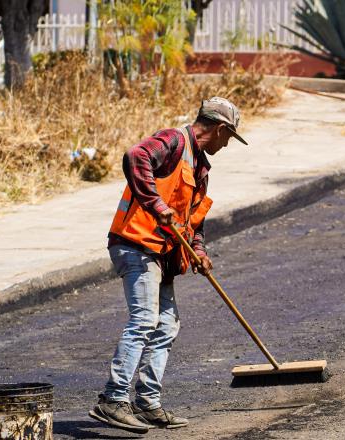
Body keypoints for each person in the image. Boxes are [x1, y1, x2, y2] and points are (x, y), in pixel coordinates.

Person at [89, 97, 248, 433]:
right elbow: (136, 157)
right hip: (135, 244)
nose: (227, 144)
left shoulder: (200, 170)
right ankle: (113, 399)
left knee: (167, 325)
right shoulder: (173, 142)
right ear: (220, 129)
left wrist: (198, 252)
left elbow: (194, 222)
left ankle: (147, 403)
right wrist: (155, 203)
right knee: (144, 319)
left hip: (162, 253)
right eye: (229, 137)